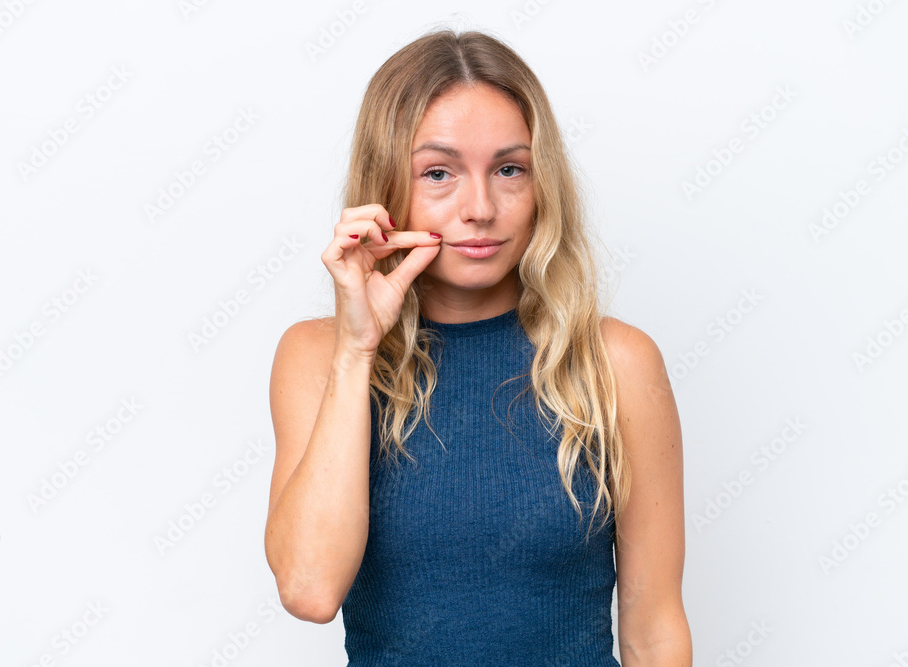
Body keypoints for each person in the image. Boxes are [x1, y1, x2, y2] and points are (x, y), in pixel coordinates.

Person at [264, 28, 691, 666]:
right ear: (386, 186)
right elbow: (309, 589)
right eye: (438, 173)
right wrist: (357, 351)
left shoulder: (617, 362)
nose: (481, 207)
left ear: (542, 182)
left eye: (509, 169)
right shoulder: (316, 356)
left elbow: (654, 629)